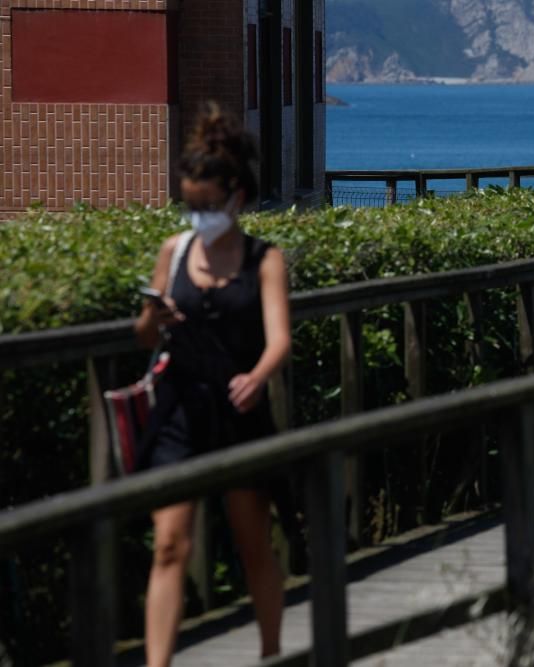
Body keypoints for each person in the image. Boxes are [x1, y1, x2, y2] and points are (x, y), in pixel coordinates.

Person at [134, 102, 291, 665]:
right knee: (169, 545)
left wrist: (259, 376)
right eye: (189, 206)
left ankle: (271, 653)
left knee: (253, 546)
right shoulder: (173, 252)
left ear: (236, 198)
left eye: (206, 205)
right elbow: (144, 336)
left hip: (237, 409)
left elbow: (279, 338)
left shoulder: (263, 260)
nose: (197, 217)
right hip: (178, 409)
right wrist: (156, 316)